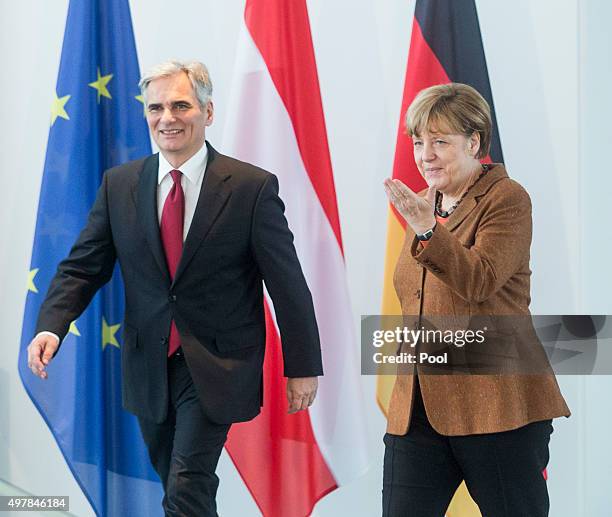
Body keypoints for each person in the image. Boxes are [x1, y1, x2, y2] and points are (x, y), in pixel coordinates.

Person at [26, 60, 322, 517]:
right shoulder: (120, 185)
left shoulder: (250, 188)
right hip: (149, 364)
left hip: (219, 363)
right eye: (156, 107)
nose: (167, 117)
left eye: (181, 105)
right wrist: (52, 325)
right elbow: (83, 268)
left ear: (208, 112)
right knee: (180, 486)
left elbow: (287, 284)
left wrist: (302, 366)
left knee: (186, 482)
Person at [382, 83, 570, 517]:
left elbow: (481, 280)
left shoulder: (506, 198)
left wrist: (429, 231)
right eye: (418, 142)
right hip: (418, 408)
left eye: (439, 142)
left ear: (474, 142)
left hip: (497, 404)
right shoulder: (425, 203)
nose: (425, 154)